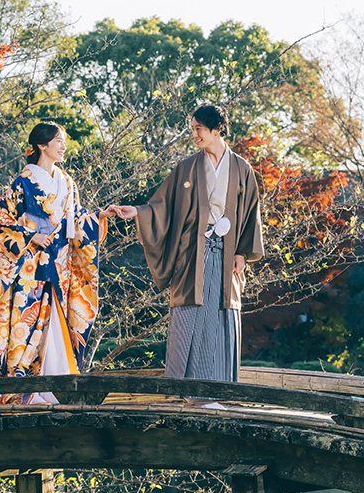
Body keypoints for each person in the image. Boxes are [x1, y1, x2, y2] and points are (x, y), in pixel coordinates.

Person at [110, 104, 264, 381]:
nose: (194, 134)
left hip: (227, 255)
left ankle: (219, 388)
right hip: (193, 253)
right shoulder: (187, 167)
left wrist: (242, 252)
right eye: (192, 129)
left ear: (217, 130)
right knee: (189, 315)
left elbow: (251, 211)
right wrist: (138, 211)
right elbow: (162, 205)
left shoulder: (242, 169)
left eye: (199, 129)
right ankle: (184, 389)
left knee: (221, 316)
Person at [0, 122, 114, 399]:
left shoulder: (67, 182)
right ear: (42, 146)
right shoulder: (23, 182)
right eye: (58, 140)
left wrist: (101, 216)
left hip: (60, 263)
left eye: (63, 140)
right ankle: (22, 389)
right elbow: (0, 216)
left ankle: (53, 388)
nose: (63, 146)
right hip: (31, 264)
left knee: (58, 321)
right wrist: (31, 235)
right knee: (28, 322)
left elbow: (77, 221)